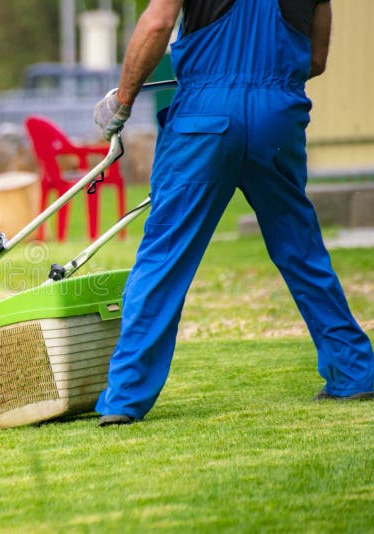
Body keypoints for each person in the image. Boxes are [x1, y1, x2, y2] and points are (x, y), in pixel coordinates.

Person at [92, 0, 374, 426]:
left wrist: (124, 100)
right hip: (276, 116)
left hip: (204, 117)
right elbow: (316, 59)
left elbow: (156, 25)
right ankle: (354, 371)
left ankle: (125, 398)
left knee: (166, 255)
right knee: (300, 249)